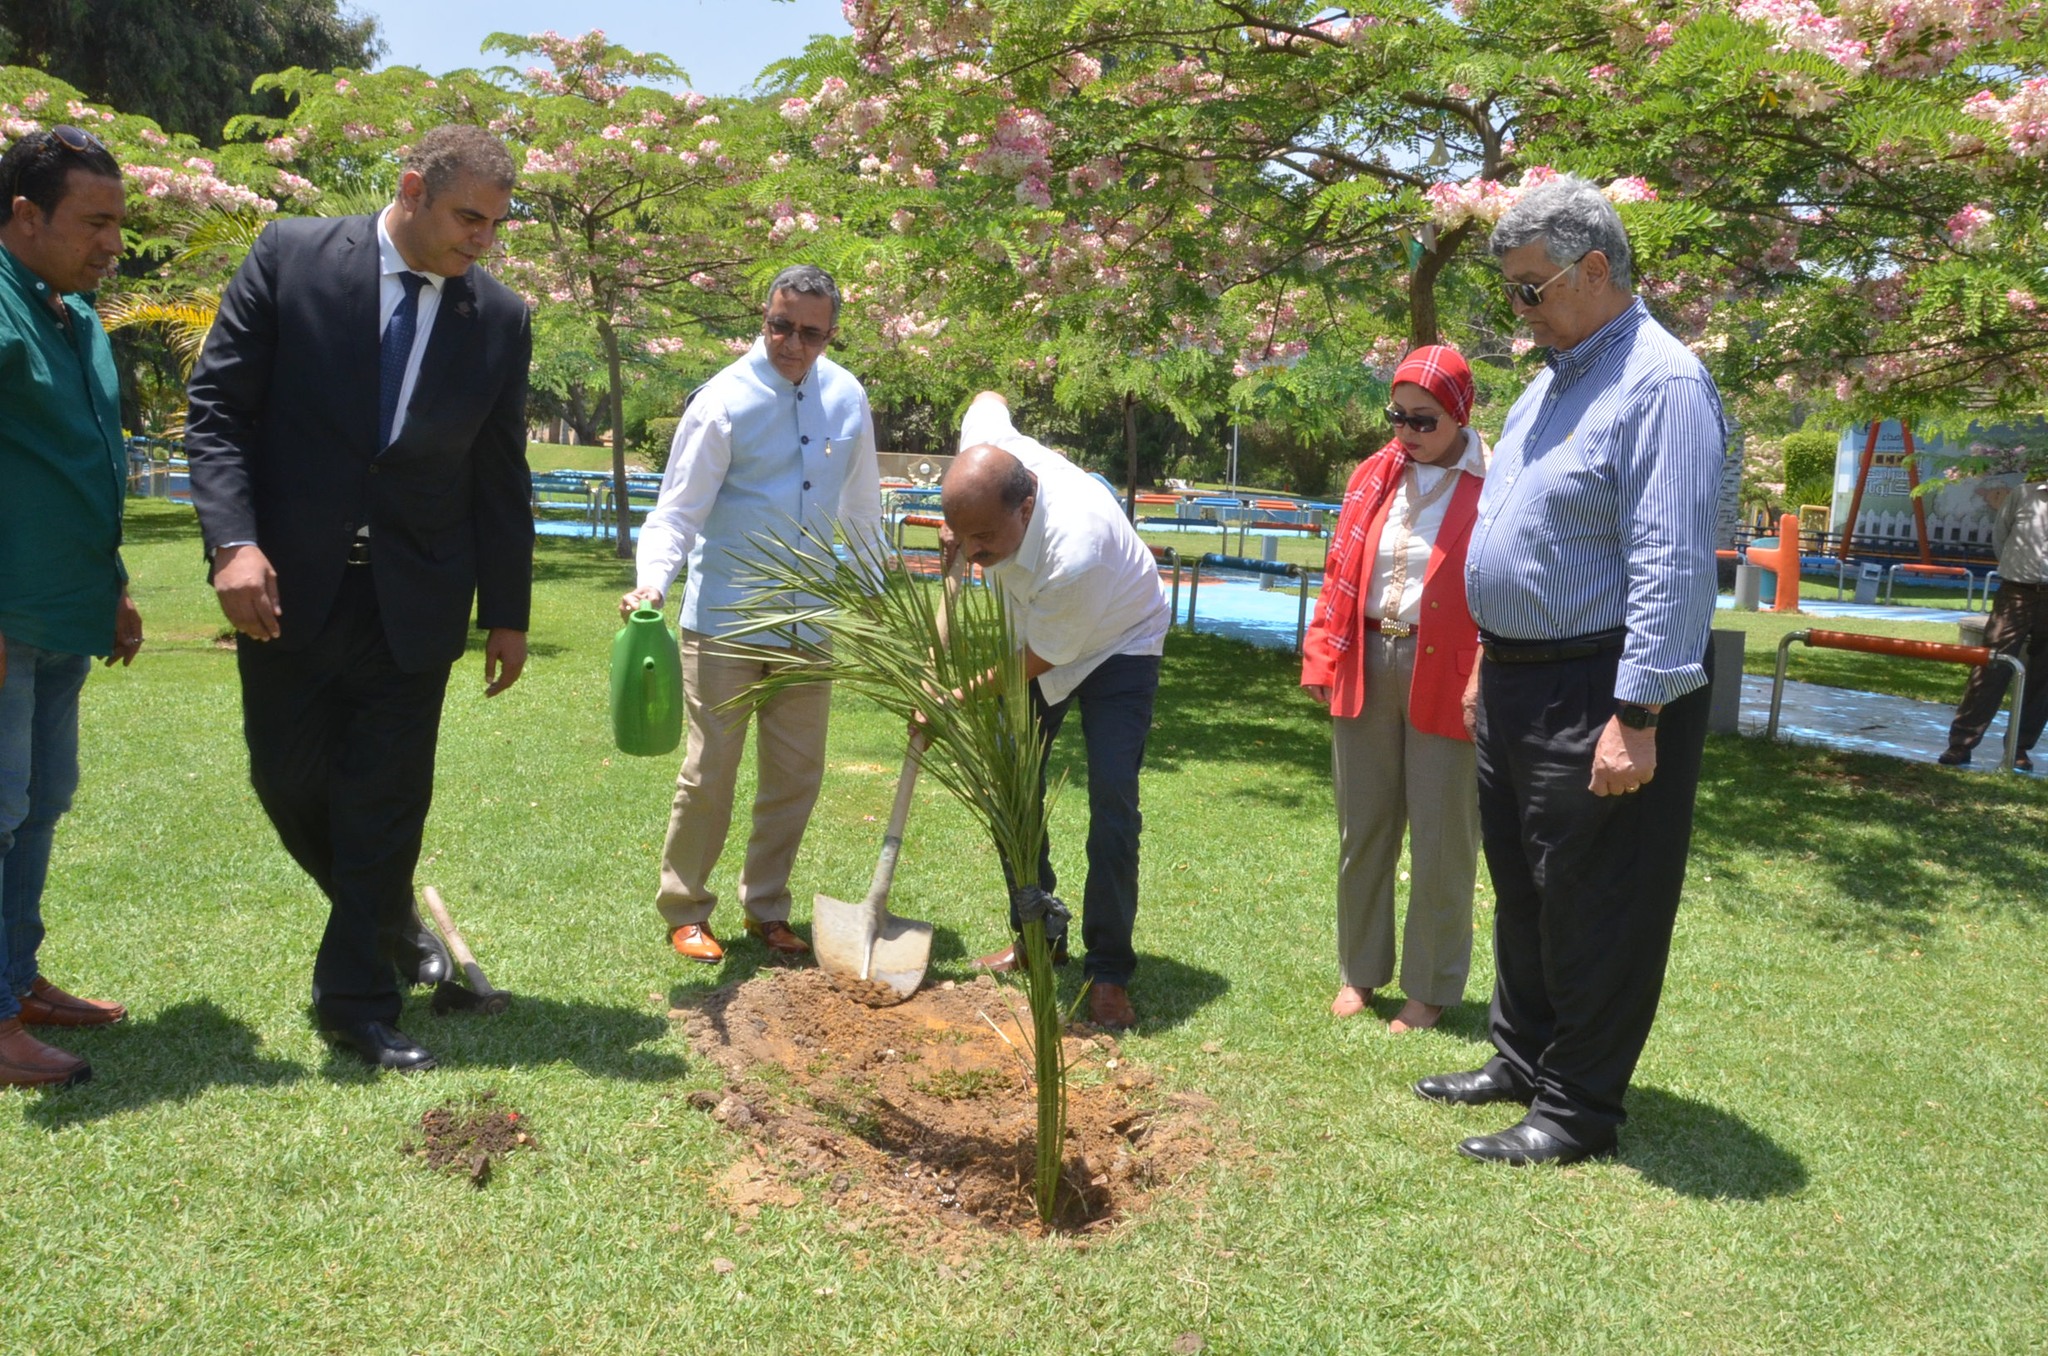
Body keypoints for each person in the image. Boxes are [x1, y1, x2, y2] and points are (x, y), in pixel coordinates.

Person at [185, 125, 534, 1074]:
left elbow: (501, 476)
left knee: (385, 799)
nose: (483, 242)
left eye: (496, 225)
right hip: (286, 589)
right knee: (287, 781)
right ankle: (386, 919)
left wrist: (508, 611)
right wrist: (234, 541)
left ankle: (356, 1005)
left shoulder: (497, 318)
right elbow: (217, 409)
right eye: (469, 218)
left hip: (415, 599)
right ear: (413, 188)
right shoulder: (291, 256)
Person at [1414, 175, 1726, 1165]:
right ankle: (1520, 1058)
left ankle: (1577, 1107)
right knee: (1524, 884)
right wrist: (1485, 662)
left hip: (1601, 683)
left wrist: (1635, 712)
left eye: (1529, 288)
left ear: (1595, 270)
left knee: (1595, 898)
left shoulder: (1660, 383)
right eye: (1509, 290)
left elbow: (1671, 561)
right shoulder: (1554, 375)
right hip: (1515, 676)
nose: (1518, 310)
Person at [621, 265, 882, 966]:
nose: (790, 343)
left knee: (797, 774)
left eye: (809, 332)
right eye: (779, 325)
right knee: (711, 771)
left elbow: (861, 514)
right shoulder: (722, 401)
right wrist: (652, 586)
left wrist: (874, 595)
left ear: (831, 334)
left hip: (809, 623)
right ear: (763, 317)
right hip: (727, 619)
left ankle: (767, 906)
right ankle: (685, 907)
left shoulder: (848, 397)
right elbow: (676, 513)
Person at [940, 392, 1171, 1030]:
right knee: (1011, 789)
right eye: (964, 534)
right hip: (1048, 634)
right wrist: (963, 537)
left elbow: (1038, 658)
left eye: (985, 537)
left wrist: (953, 698)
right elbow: (987, 400)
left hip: (1121, 643)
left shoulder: (1078, 546)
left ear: (1027, 503)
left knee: (1112, 806)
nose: (974, 550)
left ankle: (1108, 970)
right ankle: (1038, 932)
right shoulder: (986, 462)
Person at [0, 126, 140, 1090]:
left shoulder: (77, 314)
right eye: (94, 223)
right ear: (24, 215)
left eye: (118, 224)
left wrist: (117, 584)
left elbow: (80, 465)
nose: (112, 244)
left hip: (64, 611)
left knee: (40, 805)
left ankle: (15, 979)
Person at [1302, 346, 1488, 1034]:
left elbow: (1505, 587)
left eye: (1424, 420)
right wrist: (1324, 659)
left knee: (1443, 840)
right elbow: (1338, 572)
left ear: (1460, 413)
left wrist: (1486, 674)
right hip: (1367, 661)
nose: (1407, 433)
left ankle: (1430, 988)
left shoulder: (1496, 481)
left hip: (1451, 671)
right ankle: (1359, 971)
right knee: (1364, 829)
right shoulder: (1373, 475)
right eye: (1398, 417)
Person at [1938, 476, 2048, 771]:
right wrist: (2014, 570)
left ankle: (2019, 747)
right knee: (1991, 665)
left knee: (2043, 677)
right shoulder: (2023, 495)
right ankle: (1960, 744)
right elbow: (2001, 537)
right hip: (2016, 592)